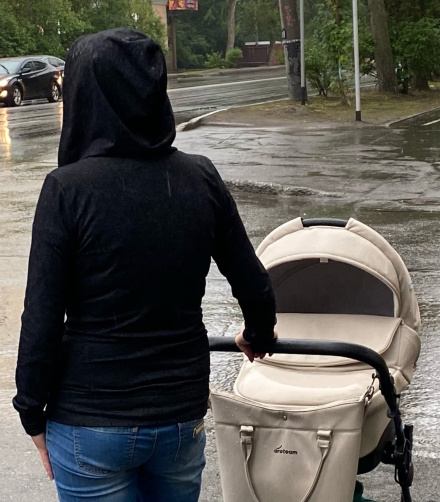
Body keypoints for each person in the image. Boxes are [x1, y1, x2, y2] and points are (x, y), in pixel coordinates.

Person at [12, 28, 277, 502]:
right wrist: (257, 335)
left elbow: (42, 317)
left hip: (90, 418)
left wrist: (31, 410)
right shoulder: (201, 177)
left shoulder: (67, 189)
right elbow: (254, 285)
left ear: (83, 98)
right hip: (179, 414)